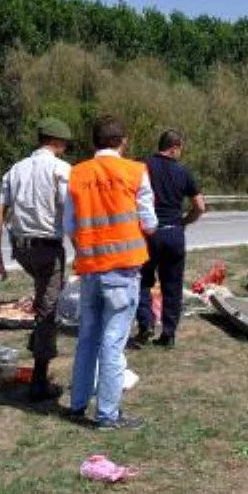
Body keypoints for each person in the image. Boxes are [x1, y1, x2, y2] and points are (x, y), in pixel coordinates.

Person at [62, 115, 158, 430]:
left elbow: (69, 226)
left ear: (94, 142)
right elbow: (150, 222)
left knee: (87, 338)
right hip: (123, 270)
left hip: (90, 269)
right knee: (113, 342)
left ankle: (77, 405)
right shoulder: (135, 172)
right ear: (123, 141)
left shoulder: (76, 174)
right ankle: (107, 415)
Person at [0, 117, 73, 401]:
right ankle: (39, 380)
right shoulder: (62, 170)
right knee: (49, 311)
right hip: (48, 248)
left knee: (42, 300)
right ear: (58, 142)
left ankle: (37, 344)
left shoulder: (16, 170)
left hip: (21, 249)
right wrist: (83, 252)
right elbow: (70, 215)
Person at [131, 129, 206, 349]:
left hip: (148, 233)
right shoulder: (183, 172)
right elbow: (200, 206)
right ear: (174, 147)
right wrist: (184, 222)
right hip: (173, 232)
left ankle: (146, 324)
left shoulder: (141, 166)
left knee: (143, 280)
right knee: (172, 285)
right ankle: (169, 333)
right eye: (180, 149)